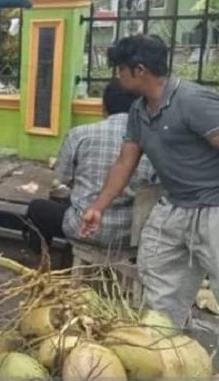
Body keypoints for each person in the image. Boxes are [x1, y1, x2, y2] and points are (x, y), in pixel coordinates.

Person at [81, 34, 219, 328]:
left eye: (121, 70)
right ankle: (167, 356)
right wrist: (98, 207)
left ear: (139, 70)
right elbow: (124, 163)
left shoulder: (192, 101)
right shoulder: (138, 110)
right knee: (159, 285)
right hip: (174, 208)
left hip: (213, 210)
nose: (118, 77)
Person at [24, 79, 155, 256]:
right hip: (132, 235)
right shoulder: (156, 141)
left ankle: (41, 264)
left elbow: (62, 179)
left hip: (85, 226)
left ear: (104, 107)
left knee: (37, 208)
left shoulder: (80, 135)